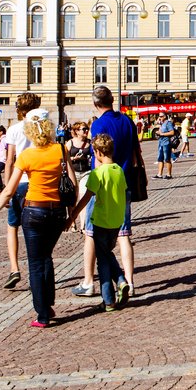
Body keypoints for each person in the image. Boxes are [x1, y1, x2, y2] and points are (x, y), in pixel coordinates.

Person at [0, 108, 76, 328]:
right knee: (46, 257)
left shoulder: (26, 156)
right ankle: (48, 303)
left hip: (33, 211)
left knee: (36, 262)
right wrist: (72, 215)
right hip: (56, 212)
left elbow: (8, 190)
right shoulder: (61, 150)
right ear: (49, 127)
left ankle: (42, 314)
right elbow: (72, 183)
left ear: (29, 131)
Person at [71, 86, 144, 298]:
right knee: (124, 234)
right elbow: (136, 151)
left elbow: (98, 155)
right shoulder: (127, 121)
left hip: (103, 182)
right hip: (124, 180)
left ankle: (88, 282)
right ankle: (130, 281)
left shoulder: (99, 124)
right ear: (112, 100)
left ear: (96, 104)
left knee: (91, 233)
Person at [65, 133, 130, 312]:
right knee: (107, 254)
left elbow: (87, 197)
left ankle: (109, 299)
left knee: (103, 261)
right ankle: (120, 282)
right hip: (116, 222)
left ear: (99, 152)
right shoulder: (119, 170)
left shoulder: (98, 173)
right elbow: (123, 194)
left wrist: (73, 215)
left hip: (101, 221)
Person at [2, 92, 43, 290]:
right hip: (37, 182)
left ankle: (14, 268)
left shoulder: (14, 129)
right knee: (35, 227)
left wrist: (6, 187)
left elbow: (9, 161)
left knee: (13, 226)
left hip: (18, 182)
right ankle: (38, 266)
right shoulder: (42, 127)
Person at [67, 121, 91, 232]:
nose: (86, 131)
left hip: (86, 172)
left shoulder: (90, 143)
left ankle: (83, 225)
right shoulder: (70, 143)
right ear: (77, 131)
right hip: (73, 173)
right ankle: (72, 222)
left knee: (83, 197)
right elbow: (64, 158)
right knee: (73, 200)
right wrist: (73, 159)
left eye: (87, 129)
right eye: (83, 129)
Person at [154, 114, 176, 179]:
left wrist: (162, 134)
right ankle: (159, 174)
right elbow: (160, 130)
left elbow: (172, 132)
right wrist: (158, 132)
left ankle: (169, 175)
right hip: (161, 143)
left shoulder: (168, 123)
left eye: (160, 116)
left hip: (167, 143)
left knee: (167, 159)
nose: (159, 117)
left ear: (164, 116)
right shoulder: (162, 124)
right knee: (160, 159)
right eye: (159, 116)